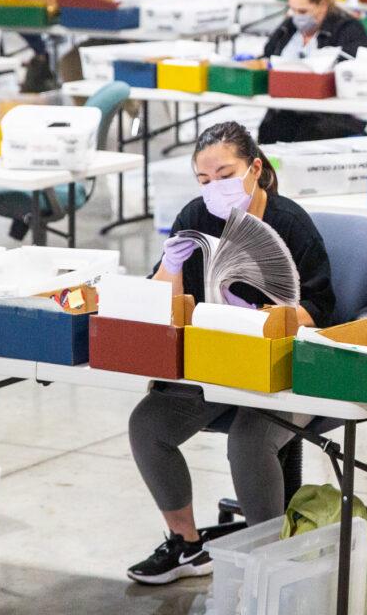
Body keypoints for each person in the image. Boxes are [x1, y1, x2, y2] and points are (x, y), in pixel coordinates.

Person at [126, 122, 335, 585]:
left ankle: (270, 566)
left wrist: (265, 315)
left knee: (249, 440)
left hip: (286, 368)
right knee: (147, 426)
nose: (214, 189)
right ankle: (185, 545)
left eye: (225, 174)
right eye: (203, 181)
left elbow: (321, 309)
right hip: (215, 364)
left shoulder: (290, 223)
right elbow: (160, 303)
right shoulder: (194, 217)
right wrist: (171, 267)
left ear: (255, 168)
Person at [257, 0, 367, 143]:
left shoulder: (348, 28)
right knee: (269, 131)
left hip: (335, 112)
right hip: (289, 107)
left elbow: (353, 73)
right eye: (292, 10)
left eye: (303, 11)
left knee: (310, 134)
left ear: (323, 5)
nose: (296, 16)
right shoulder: (288, 27)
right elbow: (268, 56)